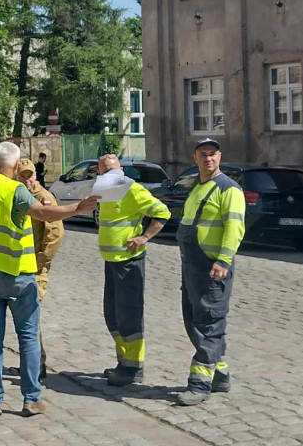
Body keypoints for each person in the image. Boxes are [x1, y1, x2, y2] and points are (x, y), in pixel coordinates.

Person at [0, 141, 98, 417]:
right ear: (17, 165)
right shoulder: (16, 189)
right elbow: (43, 213)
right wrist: (78, 207)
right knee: (27, 337)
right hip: (18, 273)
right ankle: (31, 399)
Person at [176, 138, 245, 406]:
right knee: (195, 321)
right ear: (195, 158)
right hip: (192, 265)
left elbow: (235, 228)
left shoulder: (229, 189)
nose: (208, 159)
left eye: (212, 154)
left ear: (219, 156)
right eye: (203, 154)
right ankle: (221, 373)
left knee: (211, 323)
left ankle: (199, 383)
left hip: (213, 267)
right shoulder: (198, 186)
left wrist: (223, 261)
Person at [94, 154, 171, 387]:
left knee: (129, 315)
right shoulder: (105, 189)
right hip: (111, 260)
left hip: (129, 262)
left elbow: (162, 212)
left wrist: (144, 237)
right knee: (113, 315)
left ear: (120, 169)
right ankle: (123, 362)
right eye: (104, 168)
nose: (108, 169)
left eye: (112, 167)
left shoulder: (131, 188)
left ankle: (134, 367)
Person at [15, 158, 64, 382]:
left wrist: (42, 260)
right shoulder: (18, 193)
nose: (28, 179)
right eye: (23, 175)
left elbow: (55, 232)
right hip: (20, 263)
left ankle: (37, 364)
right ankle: (32, 361)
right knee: (25, 316)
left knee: (30, 315)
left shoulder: (43, 197)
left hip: (35, 266)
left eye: (30, 174)